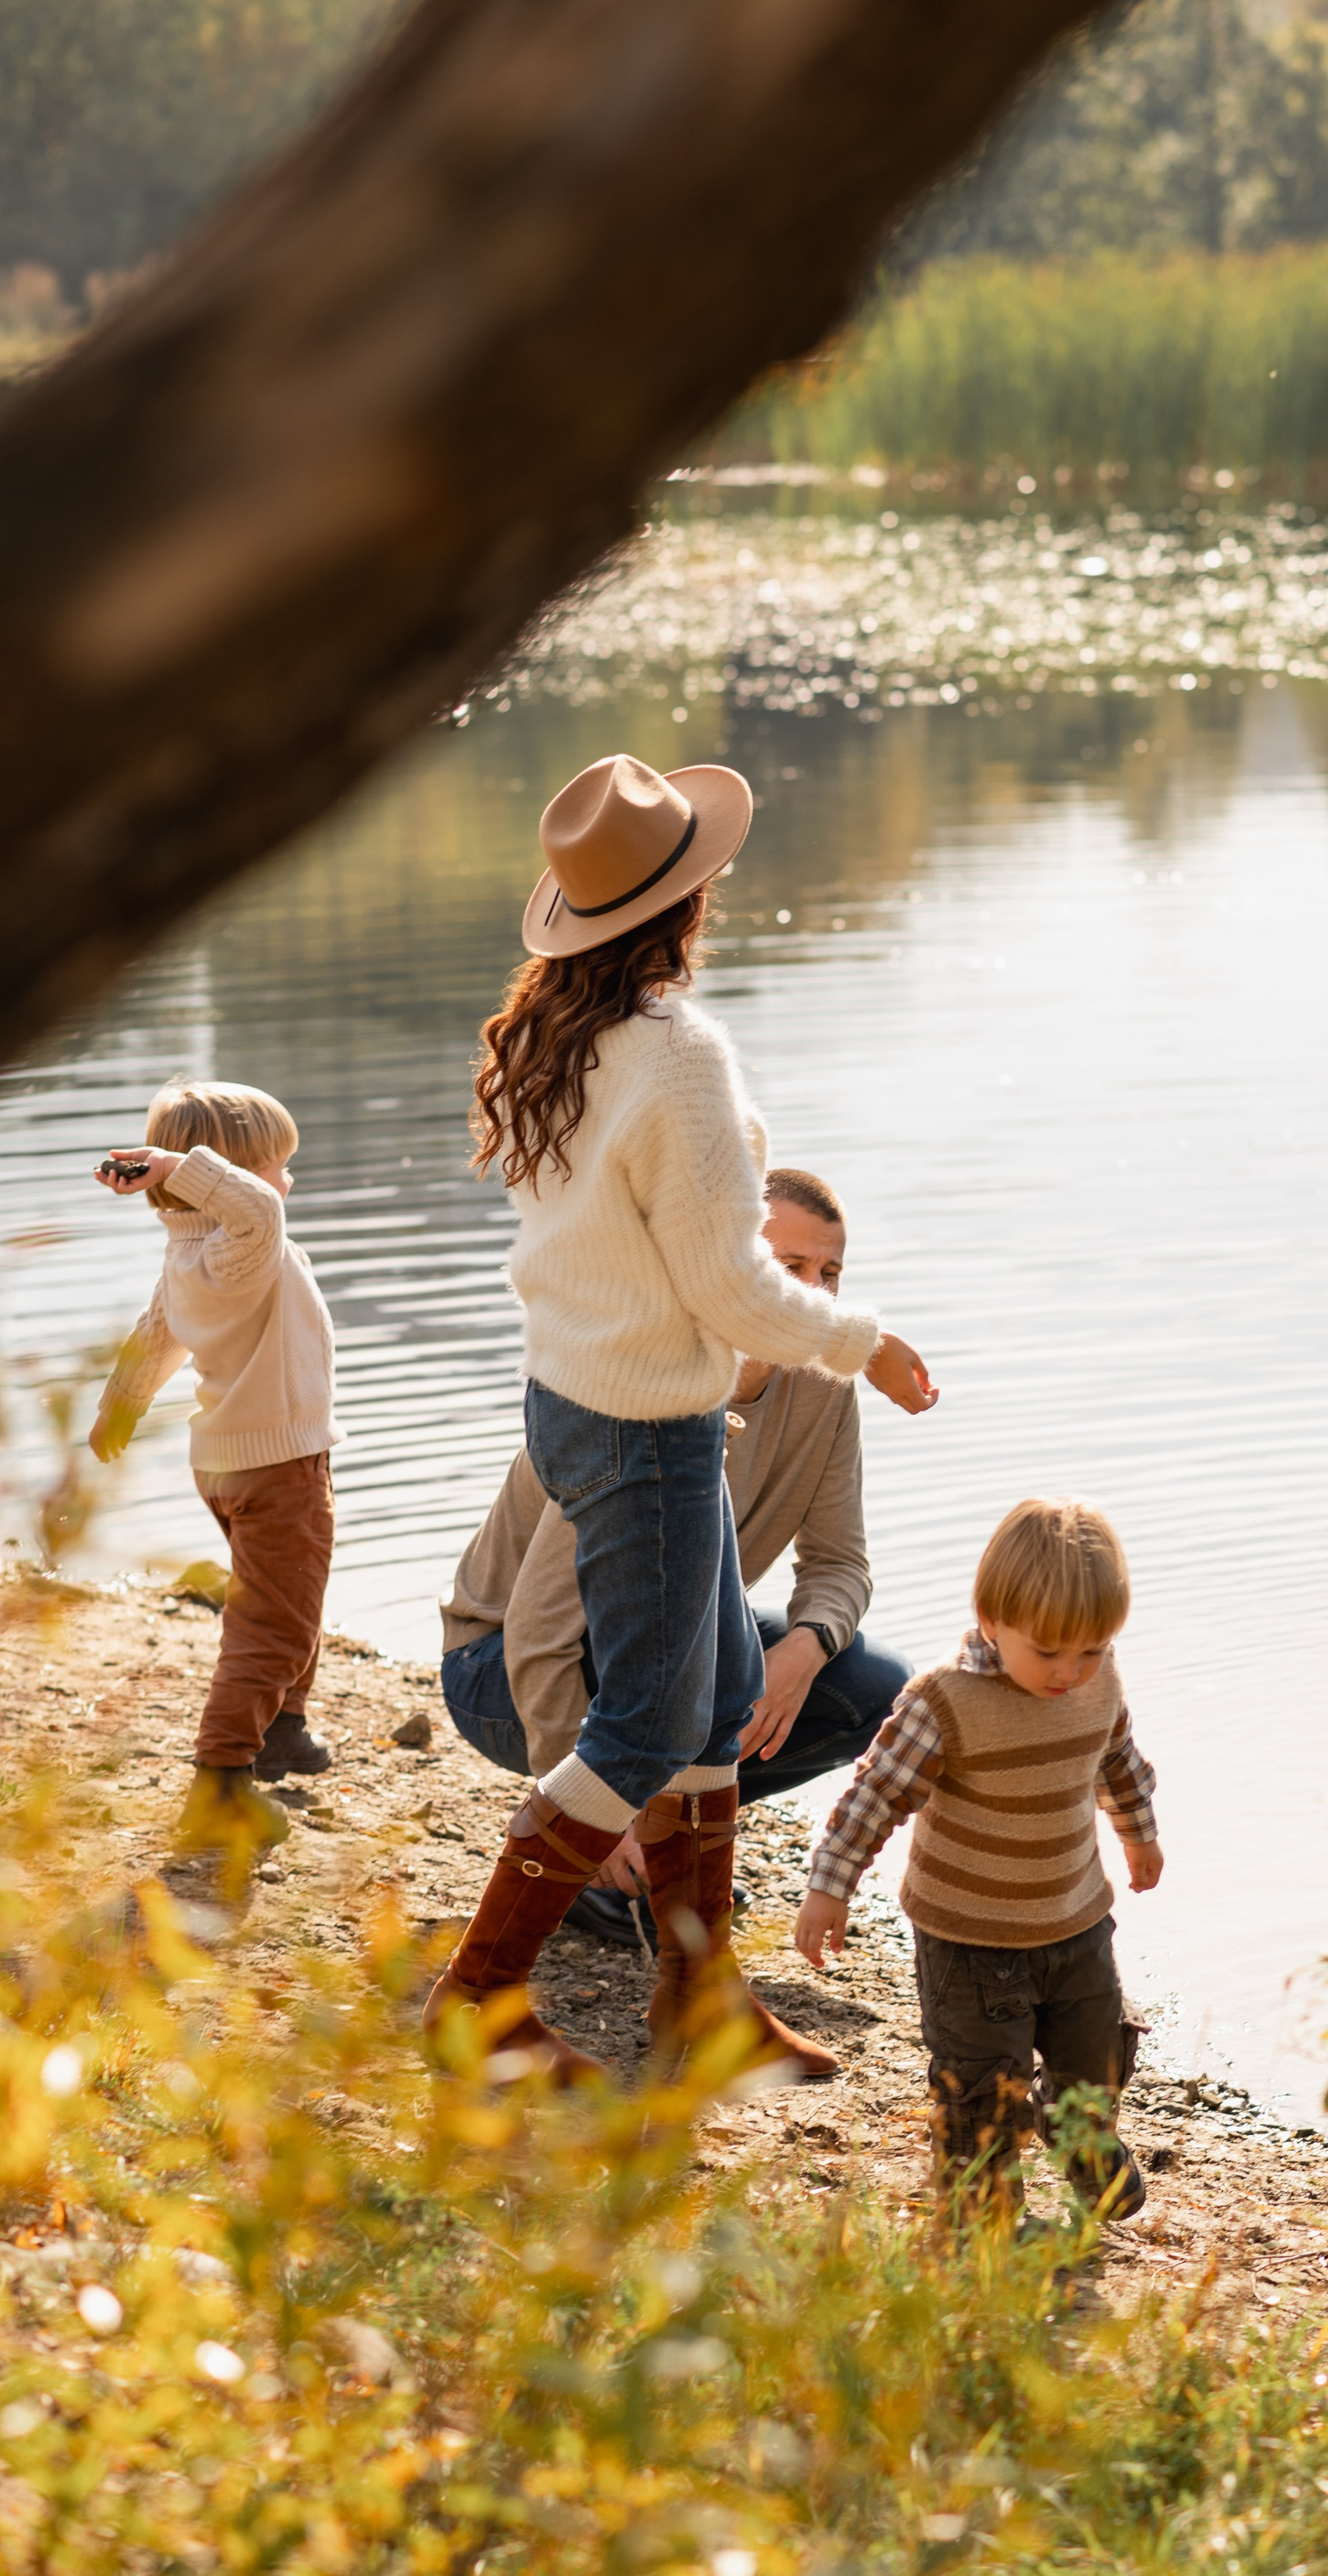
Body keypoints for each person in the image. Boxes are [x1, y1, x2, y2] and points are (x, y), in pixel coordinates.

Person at [425, 751, 937, 2089]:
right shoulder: (675, 1052)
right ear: (688, 900)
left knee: (714, 1703)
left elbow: (647, 1245)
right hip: (648, 1424)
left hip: (580, 1396)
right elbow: (726, 1283)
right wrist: (863, 1343)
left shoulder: (561, 1039)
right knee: (650, 1729)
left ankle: (702, 1998)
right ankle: (476, 1998)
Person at [439, 1164, 911, 1960]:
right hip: (499, 1667)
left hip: (659, 1645)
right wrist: (585, 1810)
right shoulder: (639, 1383)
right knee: (679, 1685)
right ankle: (593, 1857)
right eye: (787, 1267)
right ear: (726, 1265)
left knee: (871, 1689)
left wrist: (803, 1650)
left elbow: (841, 1562)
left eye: (829, 1273)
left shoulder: (824, 1387)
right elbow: (540, 1628)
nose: (813, 1294)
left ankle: (667, 1844)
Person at [796, 1497, 1159, 2222]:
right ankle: (983, 2219)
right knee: (981, 2088)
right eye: (1048, 1651)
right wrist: (830, 1886)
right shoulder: (945, 1702)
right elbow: (876, 1794)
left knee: (1096, 2056)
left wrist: (1138, 1834)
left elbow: (1116, 1759)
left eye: (1090, 1649)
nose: (1070, 1671)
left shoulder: (1100, 1681)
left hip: (1076, 1920)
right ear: (992, 1620)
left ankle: (1079, 2136)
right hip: (969, 1941)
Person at [88, 1079, 342, 1857]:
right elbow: (258, 1209)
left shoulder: (189, 1253)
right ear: (227, 1177)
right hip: (276, 1464)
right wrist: (179, 1167)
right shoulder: (241, 1246)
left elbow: (156, 1333)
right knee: (273, 1622)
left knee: (290, 1595)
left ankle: (283, 1727)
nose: (286, 1179)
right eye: (278, 1164)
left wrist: (120, 1405)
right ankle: (221, 1782)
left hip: (234, 1462)